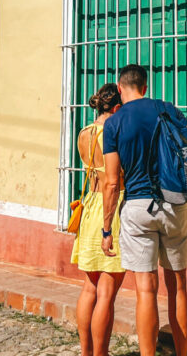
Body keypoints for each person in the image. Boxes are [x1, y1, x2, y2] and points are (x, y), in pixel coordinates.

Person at [100, 64, 187, 356]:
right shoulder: (166, 109)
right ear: (145, 87)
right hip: (175, 204)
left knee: (145, 290)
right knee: (179, 287)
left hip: (137, 207)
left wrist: (107, 228)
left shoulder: (114, 123)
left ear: (120, 89)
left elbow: (111, 183)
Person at [71, 83, 126, 356]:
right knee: (107, 291)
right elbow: (113, 182)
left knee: (89, 286)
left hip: (90, 206)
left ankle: (85, 352)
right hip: (109, 210)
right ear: (116, 107)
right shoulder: (113, 134)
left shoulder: (84, 133)